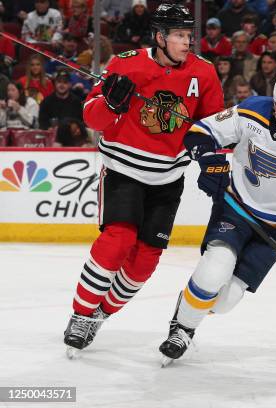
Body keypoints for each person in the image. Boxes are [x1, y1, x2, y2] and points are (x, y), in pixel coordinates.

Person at [62, 3, 224, 355]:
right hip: (124, 170)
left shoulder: (205, 73)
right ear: (160, 36)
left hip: (168, 178)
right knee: (118, 239)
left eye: (189, 35)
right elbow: (92, 118)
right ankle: (80, 314)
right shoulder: (125, 63)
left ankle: (99, 315)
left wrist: (213, 162)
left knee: (145, 259)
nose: (187, 42)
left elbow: (214, 126)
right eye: (180, 35)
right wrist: (112, 104)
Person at [158, 74, 276, 361]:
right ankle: (181, 329)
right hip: (235, 207)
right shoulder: (252, 111)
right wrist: (209, 162)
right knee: (214, 269)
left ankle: (191, 307)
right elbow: (200, 132)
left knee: (226, 301)